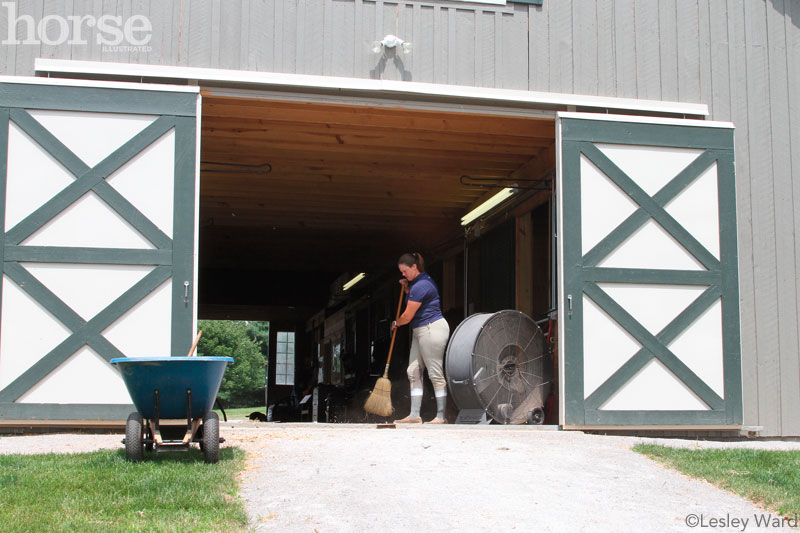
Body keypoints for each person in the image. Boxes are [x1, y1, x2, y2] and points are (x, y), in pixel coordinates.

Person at [392, 252, 450, 424]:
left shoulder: (422, 285)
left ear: (414, 267)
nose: (403, 274)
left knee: (435, 373)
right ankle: (414, 415)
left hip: (431, 328)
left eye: (404, 271)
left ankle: (441, 416)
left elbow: (408, 316)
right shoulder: (417, 283)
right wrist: (406, 287)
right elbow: (414, 297)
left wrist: (397, 323)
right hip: (420, 330)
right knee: (413, 371)